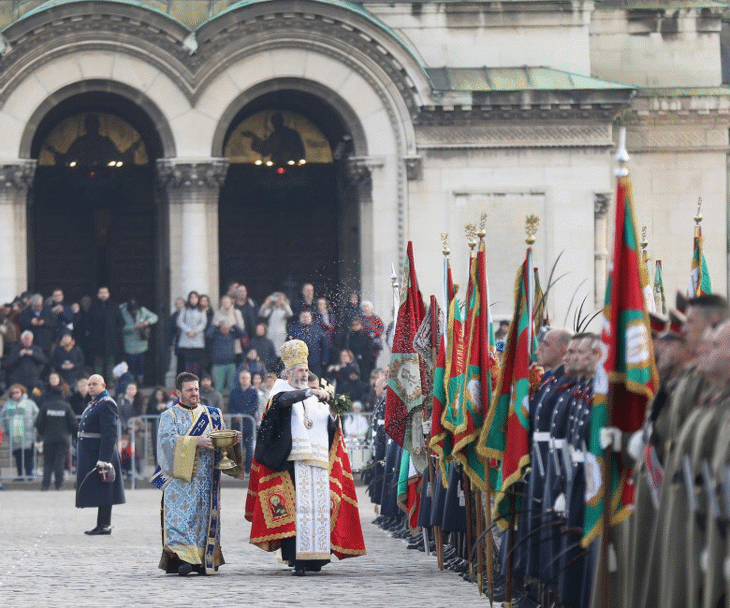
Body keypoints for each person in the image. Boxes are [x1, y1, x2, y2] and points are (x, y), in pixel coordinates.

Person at [245, 339, 366, 575]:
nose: (304, 374)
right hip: (290, 463)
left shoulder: (314, 395)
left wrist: (331, 410)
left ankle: (316, 558)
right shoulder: (281, 391)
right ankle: (296, 559)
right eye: (300, 371)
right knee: (295, 513)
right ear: (289, 373)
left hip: (317, 462)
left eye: (306, 370)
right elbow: (282, 403)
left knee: (317, 509)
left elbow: (330, 426)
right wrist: (310, 391)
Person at [154, 372, 237, 576]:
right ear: (179, 392)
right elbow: (166, 444)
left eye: (197, 389)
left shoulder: (213, 414)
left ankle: (202, 560)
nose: (195, 393)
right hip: (180, 479)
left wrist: (231, 441)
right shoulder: (169, 416)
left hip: (206, 480)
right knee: (180, 520)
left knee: (202, 521)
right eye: (190, 390)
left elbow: (220, 441)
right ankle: (183, 559)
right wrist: (195, 441)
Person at [75, 374, 125, 535]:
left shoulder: (106, 404)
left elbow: (110, 433)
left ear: (103, 386)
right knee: (101, 488)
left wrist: (104, 458)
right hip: (92, 451)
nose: (90, 387)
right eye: (89, 384)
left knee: (105, 489)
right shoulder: (96, 403)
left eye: (94, 384)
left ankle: (104, 525)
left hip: (101, 452)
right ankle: (102, 524)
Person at [35, 381, 77, 490]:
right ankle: (59, 485)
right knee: (60, 461)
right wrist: (72, 434)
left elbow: (38, 423)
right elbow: (73, 423)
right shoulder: (66, 406)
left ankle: (45, 485)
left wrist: (43, 432)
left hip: (48, 438)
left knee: (48, 462)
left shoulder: (45, 406)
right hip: (63, 438)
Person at [0, 384, 39, 479]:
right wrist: (5, 429)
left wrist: (35, 428)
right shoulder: (7, 405)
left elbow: (37, 414)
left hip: (28, 434)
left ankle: (29, 474)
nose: (15, 394)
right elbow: (2, 417)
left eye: (17, 392)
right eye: (13, 393)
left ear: (21, 392)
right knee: (18, 456)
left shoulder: (30, 403)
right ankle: (20, 474)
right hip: (14, 434)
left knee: (28, 456)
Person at [206, 296, 244, 392]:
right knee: (218, 388)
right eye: (223, 326)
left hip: (230, 363)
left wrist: (233, 325)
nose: (225, 328)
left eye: (227, 326)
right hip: (218, 364)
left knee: (232, 387)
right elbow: (208, 334)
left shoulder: (232, 334)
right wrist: (215, 324)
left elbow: (242, 333)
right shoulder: (216, 335)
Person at [88, 287, 124, 382]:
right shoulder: (94, 307)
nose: (103, 295)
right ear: (98, 295)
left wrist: (115, 333)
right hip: (97, 341)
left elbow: (121, 322)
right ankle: (99, 385)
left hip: (111, 341)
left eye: (105, 293)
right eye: (101, 293)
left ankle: (110, 383)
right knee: (98, 364)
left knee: (110, 364)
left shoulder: (114, 306)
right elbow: (88, 322)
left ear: (108, 294)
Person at [119, 298, 158, 386]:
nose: (135, 313)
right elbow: (119, 327)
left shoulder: (142, 310)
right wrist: (133, 327)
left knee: (141, 364)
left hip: (142, 343)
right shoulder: (122, 312)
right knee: (131, 364)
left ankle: (141, 382)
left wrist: (146, 322)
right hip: (129, 344)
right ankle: (132, 382)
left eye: (136, 311)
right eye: (133, 311)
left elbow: (155, 317)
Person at [228, 369, 259, 474]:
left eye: (246, 378)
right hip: (236, 424)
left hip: (248, 424)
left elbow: (255, 406)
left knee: (249, 449)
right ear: (239, 379)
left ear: (250, 379)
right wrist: (236, 415)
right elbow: (230, 406)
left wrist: (243, 415)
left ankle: (247, 471)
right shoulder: (234, 391)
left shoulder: (254, 392)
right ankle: (237, 470)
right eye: (242, 378)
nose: (244, 380)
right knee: (236, 449)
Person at [288, 311, 328, 377]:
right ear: (299, 318)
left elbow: (324, 345)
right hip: (298, 363)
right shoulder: (293, 329)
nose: (305, 318)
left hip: (315, 362)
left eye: (307, 317)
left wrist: (324, 359)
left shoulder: (318, 329)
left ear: (311, 318)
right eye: (303, 317)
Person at [177, 291, 207, 377]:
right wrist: (188, 330)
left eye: (195, 297)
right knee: (188, 362)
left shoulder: (202, 310)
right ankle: (188, 380)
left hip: (197, 340)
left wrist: (195, 331)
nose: (193, 299)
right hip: (186, 339)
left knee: (197, 362)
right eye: (191, 297)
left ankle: (195, 380)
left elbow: (203, 323)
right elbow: (180, 321)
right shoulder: (184, 309)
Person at [259, 291, 293, 357]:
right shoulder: (271, 309)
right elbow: (262, 314)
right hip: (270, 333)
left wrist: (284, 303)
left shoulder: (284, 310)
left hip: (281, 334)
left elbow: (290, 313)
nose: (278, 300)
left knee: (280, 353)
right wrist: (266, 303)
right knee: (271, 352)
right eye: (276, 298)